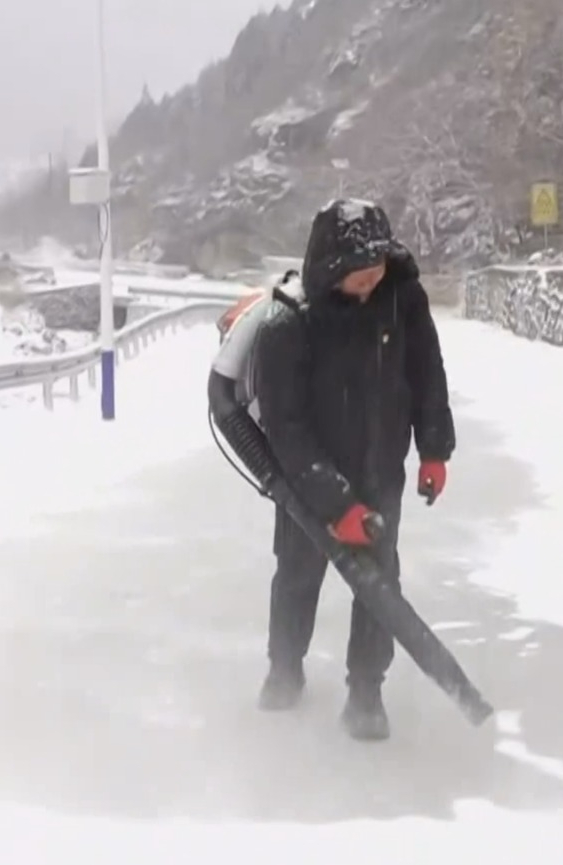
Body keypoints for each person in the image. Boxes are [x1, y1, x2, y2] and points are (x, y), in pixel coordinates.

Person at [243, 199, 454, 741]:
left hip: (380, 467)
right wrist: (336, 505)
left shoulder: (401, 300)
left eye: (375, 274)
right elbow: (284, 428)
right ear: (331, 269)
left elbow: (427, 372)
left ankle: (366, 692)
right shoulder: (289, 322)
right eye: (357, 279)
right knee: (297, 575)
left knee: (378, 585)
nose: (368, 287)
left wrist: (434, 449)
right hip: (307, 480)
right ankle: (285, 668)